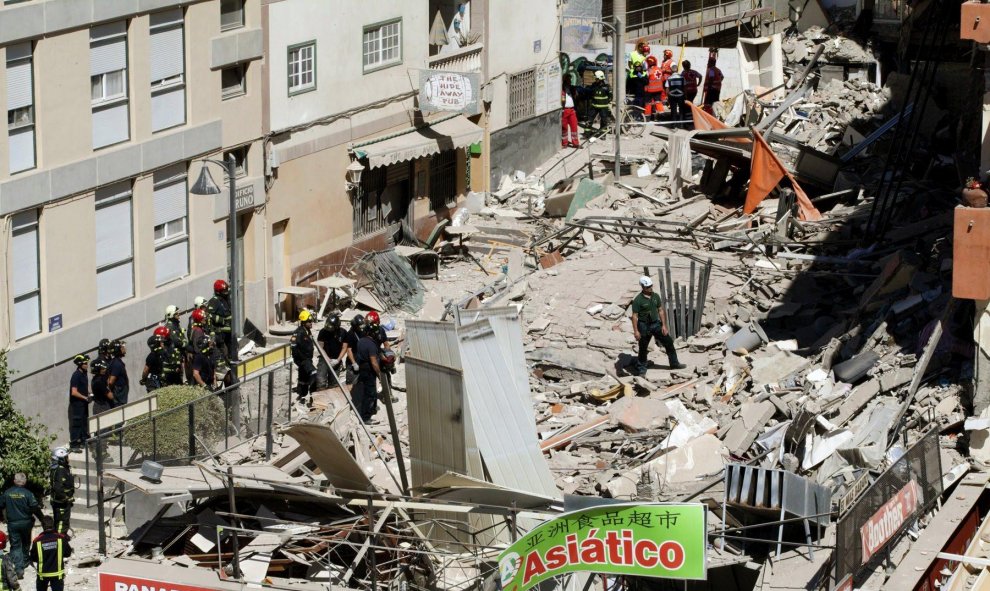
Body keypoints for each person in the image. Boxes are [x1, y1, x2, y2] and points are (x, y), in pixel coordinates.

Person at [630, 276, 686, 376]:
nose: (650, 288)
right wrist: (636, 331)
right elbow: (634, 316)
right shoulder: (638, 300)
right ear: (643, 287)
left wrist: (664, 325)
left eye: (651, 286)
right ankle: (641, 368)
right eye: (648, 287)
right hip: (643, 326)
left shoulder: (655, 296)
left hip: (655, 324)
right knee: (643, 348)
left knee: (668, 342)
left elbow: (660, 310)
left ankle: (674, 363)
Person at [1, 473, 43, 579]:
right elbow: (35, 507)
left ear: (15, 481)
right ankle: (24, 562)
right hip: (26, 522)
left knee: (15, 545)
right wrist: (42, 519)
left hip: (13, 523)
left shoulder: (7, 493)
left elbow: (0, 505)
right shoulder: (28, 494)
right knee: (25, 543)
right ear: (24, 482)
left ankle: (19, 569)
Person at [29, 516, 70, 591]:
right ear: (53, 525)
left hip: (42, 574)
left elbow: (33, 557)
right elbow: (68, 553)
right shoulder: (61, 538)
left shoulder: (37, 540)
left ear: (43, 526)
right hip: (57, 573)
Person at [352, 322, 382, 424]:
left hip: (362, 369)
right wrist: (379, 374)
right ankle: (365, 418)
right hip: (369, 371)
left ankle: (371, 410)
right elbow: (373, 362)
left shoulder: (361, 341)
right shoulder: (371, 345)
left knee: (367, 391)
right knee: (370, 394)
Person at [290, 310, 318, 406]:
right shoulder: (298, 333)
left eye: (311, 321)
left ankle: (302, 395)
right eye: (309, 322)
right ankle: (313, 395)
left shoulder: (307, 331)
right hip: (303, 360)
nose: (311, 323)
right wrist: (301, 361)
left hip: (307, 359)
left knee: (303, 378)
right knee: (314, 374)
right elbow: (293, 347)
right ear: (303, 322)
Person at [317, 314, 350, 389]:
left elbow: (344, 347)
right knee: (321, 381)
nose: (329, 328)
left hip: (336, 359)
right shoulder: (323, 332)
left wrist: (338, 360)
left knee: (333, 384)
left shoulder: (343, 332)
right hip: (324, 359)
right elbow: (320, 347)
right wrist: (327, 359)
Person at [67, 355, 91, 453]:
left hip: (84, 403)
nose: (87, 365)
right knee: (77, 423)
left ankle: (83, 440)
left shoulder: (84, 374)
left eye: (87, 363)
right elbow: (74, 392)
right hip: (77, 404)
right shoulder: (76, 375)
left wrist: (89, 393)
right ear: (80, 364)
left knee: (84, 422)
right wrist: (85, 397)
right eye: (85, 363)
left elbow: (85, 387)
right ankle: (74, 444)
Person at [48, 449, 73, 536]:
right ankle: (60, 541)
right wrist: (65, 498)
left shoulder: (59, 468)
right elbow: (58, 488)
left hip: (60, 502)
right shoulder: (60, 470)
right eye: (66, 457)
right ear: (61, 459)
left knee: (60, 522)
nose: (68, 459)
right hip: (61, 503)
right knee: (61, 524)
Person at [207, 279, 233, 360]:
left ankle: (232, 361)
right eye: (224, 291)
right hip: (221, 332)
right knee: (222, 351)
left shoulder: (226, 299)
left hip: (229, 330)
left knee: (232, 348)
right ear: (218, 292)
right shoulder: (214, 301)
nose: (226, 292)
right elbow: (209, 315)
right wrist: (222, 320)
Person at [185, 308, 210, 384]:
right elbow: (198, 348)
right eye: (203, 318)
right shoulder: (198, 331)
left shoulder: (197, 329)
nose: (205, 319)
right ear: (199, 320)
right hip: (199, 361)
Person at [587, 70, 612, 136]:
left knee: (604, 121)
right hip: (594, 106)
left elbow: (610, 96)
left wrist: (606, 102)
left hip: (603, 107)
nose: (595, 79)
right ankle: (587, 134)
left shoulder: (606, 86)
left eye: (596, 78)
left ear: (600, 78)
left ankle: (603, 135)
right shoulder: (594, 85)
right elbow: (590, 94)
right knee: (589, 119)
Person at [107, 340, 129, 407]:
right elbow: (111, 381)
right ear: (118, 350)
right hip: (119, 395)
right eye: (122, 347)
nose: (124, 348)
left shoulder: (116, 362)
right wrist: (116, 391)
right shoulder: (117, 364)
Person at [344, 315, 364, 385]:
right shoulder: (350, 334)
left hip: (361, 360)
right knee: (352, 383)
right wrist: (354, 363)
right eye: (359, 326)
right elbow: (349, 350)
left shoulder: (362, 332)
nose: (361, 327)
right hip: (353, 362)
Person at [643, 55, 665, 120]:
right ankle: (662, 116)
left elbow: (645, 80)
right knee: (658, 102)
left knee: (648, 103)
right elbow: (662, 79)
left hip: (649, 90)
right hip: (659, 89)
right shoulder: (660, 69)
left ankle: (647, 118)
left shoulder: (648, 71)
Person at [702, 49, 724, 114]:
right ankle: (715, 114)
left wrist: (709, 87)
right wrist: (718, 82)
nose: (707, 63)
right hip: (717, 89)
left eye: (708, 62)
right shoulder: (718, 70)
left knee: (708, 103)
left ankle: (710, 115)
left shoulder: (711, 70)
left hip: (711, 89)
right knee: (715, 103)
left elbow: (711, 78)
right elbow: (722, 77)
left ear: (711, 63)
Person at [560, 78, 580, 149]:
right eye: (568, 80)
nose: (570, 81)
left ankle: (575, 143)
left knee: (574, 126)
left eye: (570, 80)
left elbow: (576, 96)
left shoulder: (572, 88)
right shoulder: (561, 89)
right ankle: (564, 143)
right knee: (564, 128)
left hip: (572, 110)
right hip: (564, 110)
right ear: (565, 81)